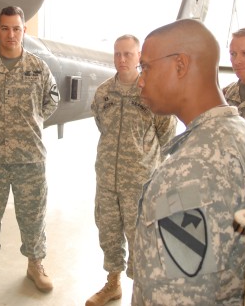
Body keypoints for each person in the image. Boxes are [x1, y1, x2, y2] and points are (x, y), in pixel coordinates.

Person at [132, 19, 245, 305]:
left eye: (146, 67)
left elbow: (180, 296)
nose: (140, 80)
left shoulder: (188, 173)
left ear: (180, 65)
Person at [0, 5, 60, 298]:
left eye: (16, 28)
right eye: (5, 28)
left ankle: (35, 264)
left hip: (30, 156)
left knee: (33, 215)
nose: (11, 34)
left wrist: (30, 122)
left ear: (24, 30)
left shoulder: (38, 68)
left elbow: (50, 102)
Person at [86, 35, 177, 306]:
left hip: (140, 181)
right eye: (117, 54)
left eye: (128, 54)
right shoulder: (104, 92)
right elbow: (102, 125)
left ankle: (142, 289)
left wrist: (147, 165)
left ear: (139, 56)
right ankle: (113, 284)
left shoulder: (152, 92)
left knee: (140, 235)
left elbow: (167, 135)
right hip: (107, 177)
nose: (121, 59)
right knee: (108, 229)